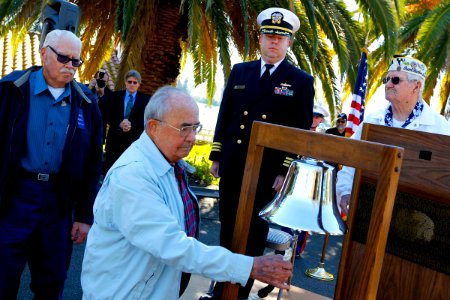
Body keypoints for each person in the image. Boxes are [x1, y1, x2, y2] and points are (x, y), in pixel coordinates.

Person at [81, 86, 292, 299]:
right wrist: (248, 266)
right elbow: (172, 246)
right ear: (153, 127)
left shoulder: (168, 164)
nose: (192, 137)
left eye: (195, 127)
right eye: (184, 128)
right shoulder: (132, 176)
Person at [205, 7, 314, 299]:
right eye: (268, 35)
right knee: (228, 225)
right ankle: (221, 286)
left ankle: (239, 292)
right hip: (234, 163)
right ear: (260, 39)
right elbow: (225, 114)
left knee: (253, 231)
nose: (273, 42)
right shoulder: (242, 71)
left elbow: (299, 133)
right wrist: (217, 155)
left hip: (268, 172)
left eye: (280, 37)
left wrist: (285, 170)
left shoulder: (300, 81)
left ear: (289, 43)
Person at [0, 29, 103, 299]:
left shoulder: (87, 104)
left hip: (58, 205)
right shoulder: (10, 91)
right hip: (15, 199)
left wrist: (83, 215)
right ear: (44, 53)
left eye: (76, 61)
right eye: (63, 58)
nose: (70, 66)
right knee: (2, 279)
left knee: (51, 283)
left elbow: (94, 163)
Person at [336, 56, 450, 215]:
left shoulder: (440, 127)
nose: (388, 84)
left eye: (396, 80)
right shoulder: (372, 121)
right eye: (386, 79)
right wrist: (345, 192)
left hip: (415, 219)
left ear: (416, 87)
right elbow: (351, 160)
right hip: (367, 210)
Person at [103, 69, 150, 173]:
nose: (132, 84)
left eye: (135, 82)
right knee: (110, 171)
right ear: (125, 82)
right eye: (129, 82)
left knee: (129, 173)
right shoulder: (115, 96)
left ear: (139, 84)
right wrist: (119, 123)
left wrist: (131, 125)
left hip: (134, 143)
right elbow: (107, 115)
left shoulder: (146, 100)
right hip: (114, 142)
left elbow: (147, 120)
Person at [88, 69, 113, 144]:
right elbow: (80, 104)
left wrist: (102, 95)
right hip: (84, 128)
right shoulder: (87, 88)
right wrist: (89, 89)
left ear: (107, 82)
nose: (100, 82)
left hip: (99, 131)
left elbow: (109, 115)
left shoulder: (110, 95)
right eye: (99, 80)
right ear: (95, 79)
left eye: (103, 81)